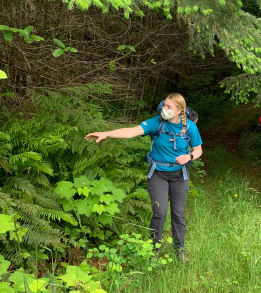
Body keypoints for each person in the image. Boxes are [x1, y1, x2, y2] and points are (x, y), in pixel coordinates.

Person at [85, 93, 202, 264]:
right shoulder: (156, 123)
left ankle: (180, 248)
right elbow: (131, 131)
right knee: (160, 212)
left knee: (178, 214)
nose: (164, 109)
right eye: (164, 105)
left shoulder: (190, 127)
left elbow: (198, 149)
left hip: (179, 175)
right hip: (158, 174)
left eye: (169, 106)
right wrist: (107, 133)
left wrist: (190, 156)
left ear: (179, 110)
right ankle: (153, 249)